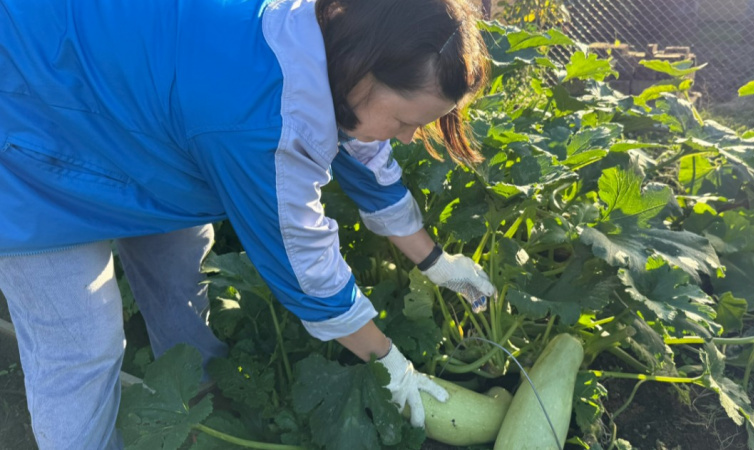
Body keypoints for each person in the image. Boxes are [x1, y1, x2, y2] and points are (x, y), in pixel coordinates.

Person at [0, 0, 496, 447]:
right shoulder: (265, 121)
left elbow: (368, 161)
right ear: (364, 70)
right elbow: (306, 270)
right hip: (25, 119)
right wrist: (391, 364)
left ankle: (194, 404)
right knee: (83, 347)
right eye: (406, 121)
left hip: (124, 102)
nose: (408, 137)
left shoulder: (323, 41)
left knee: (180, 265)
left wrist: (436, 261)